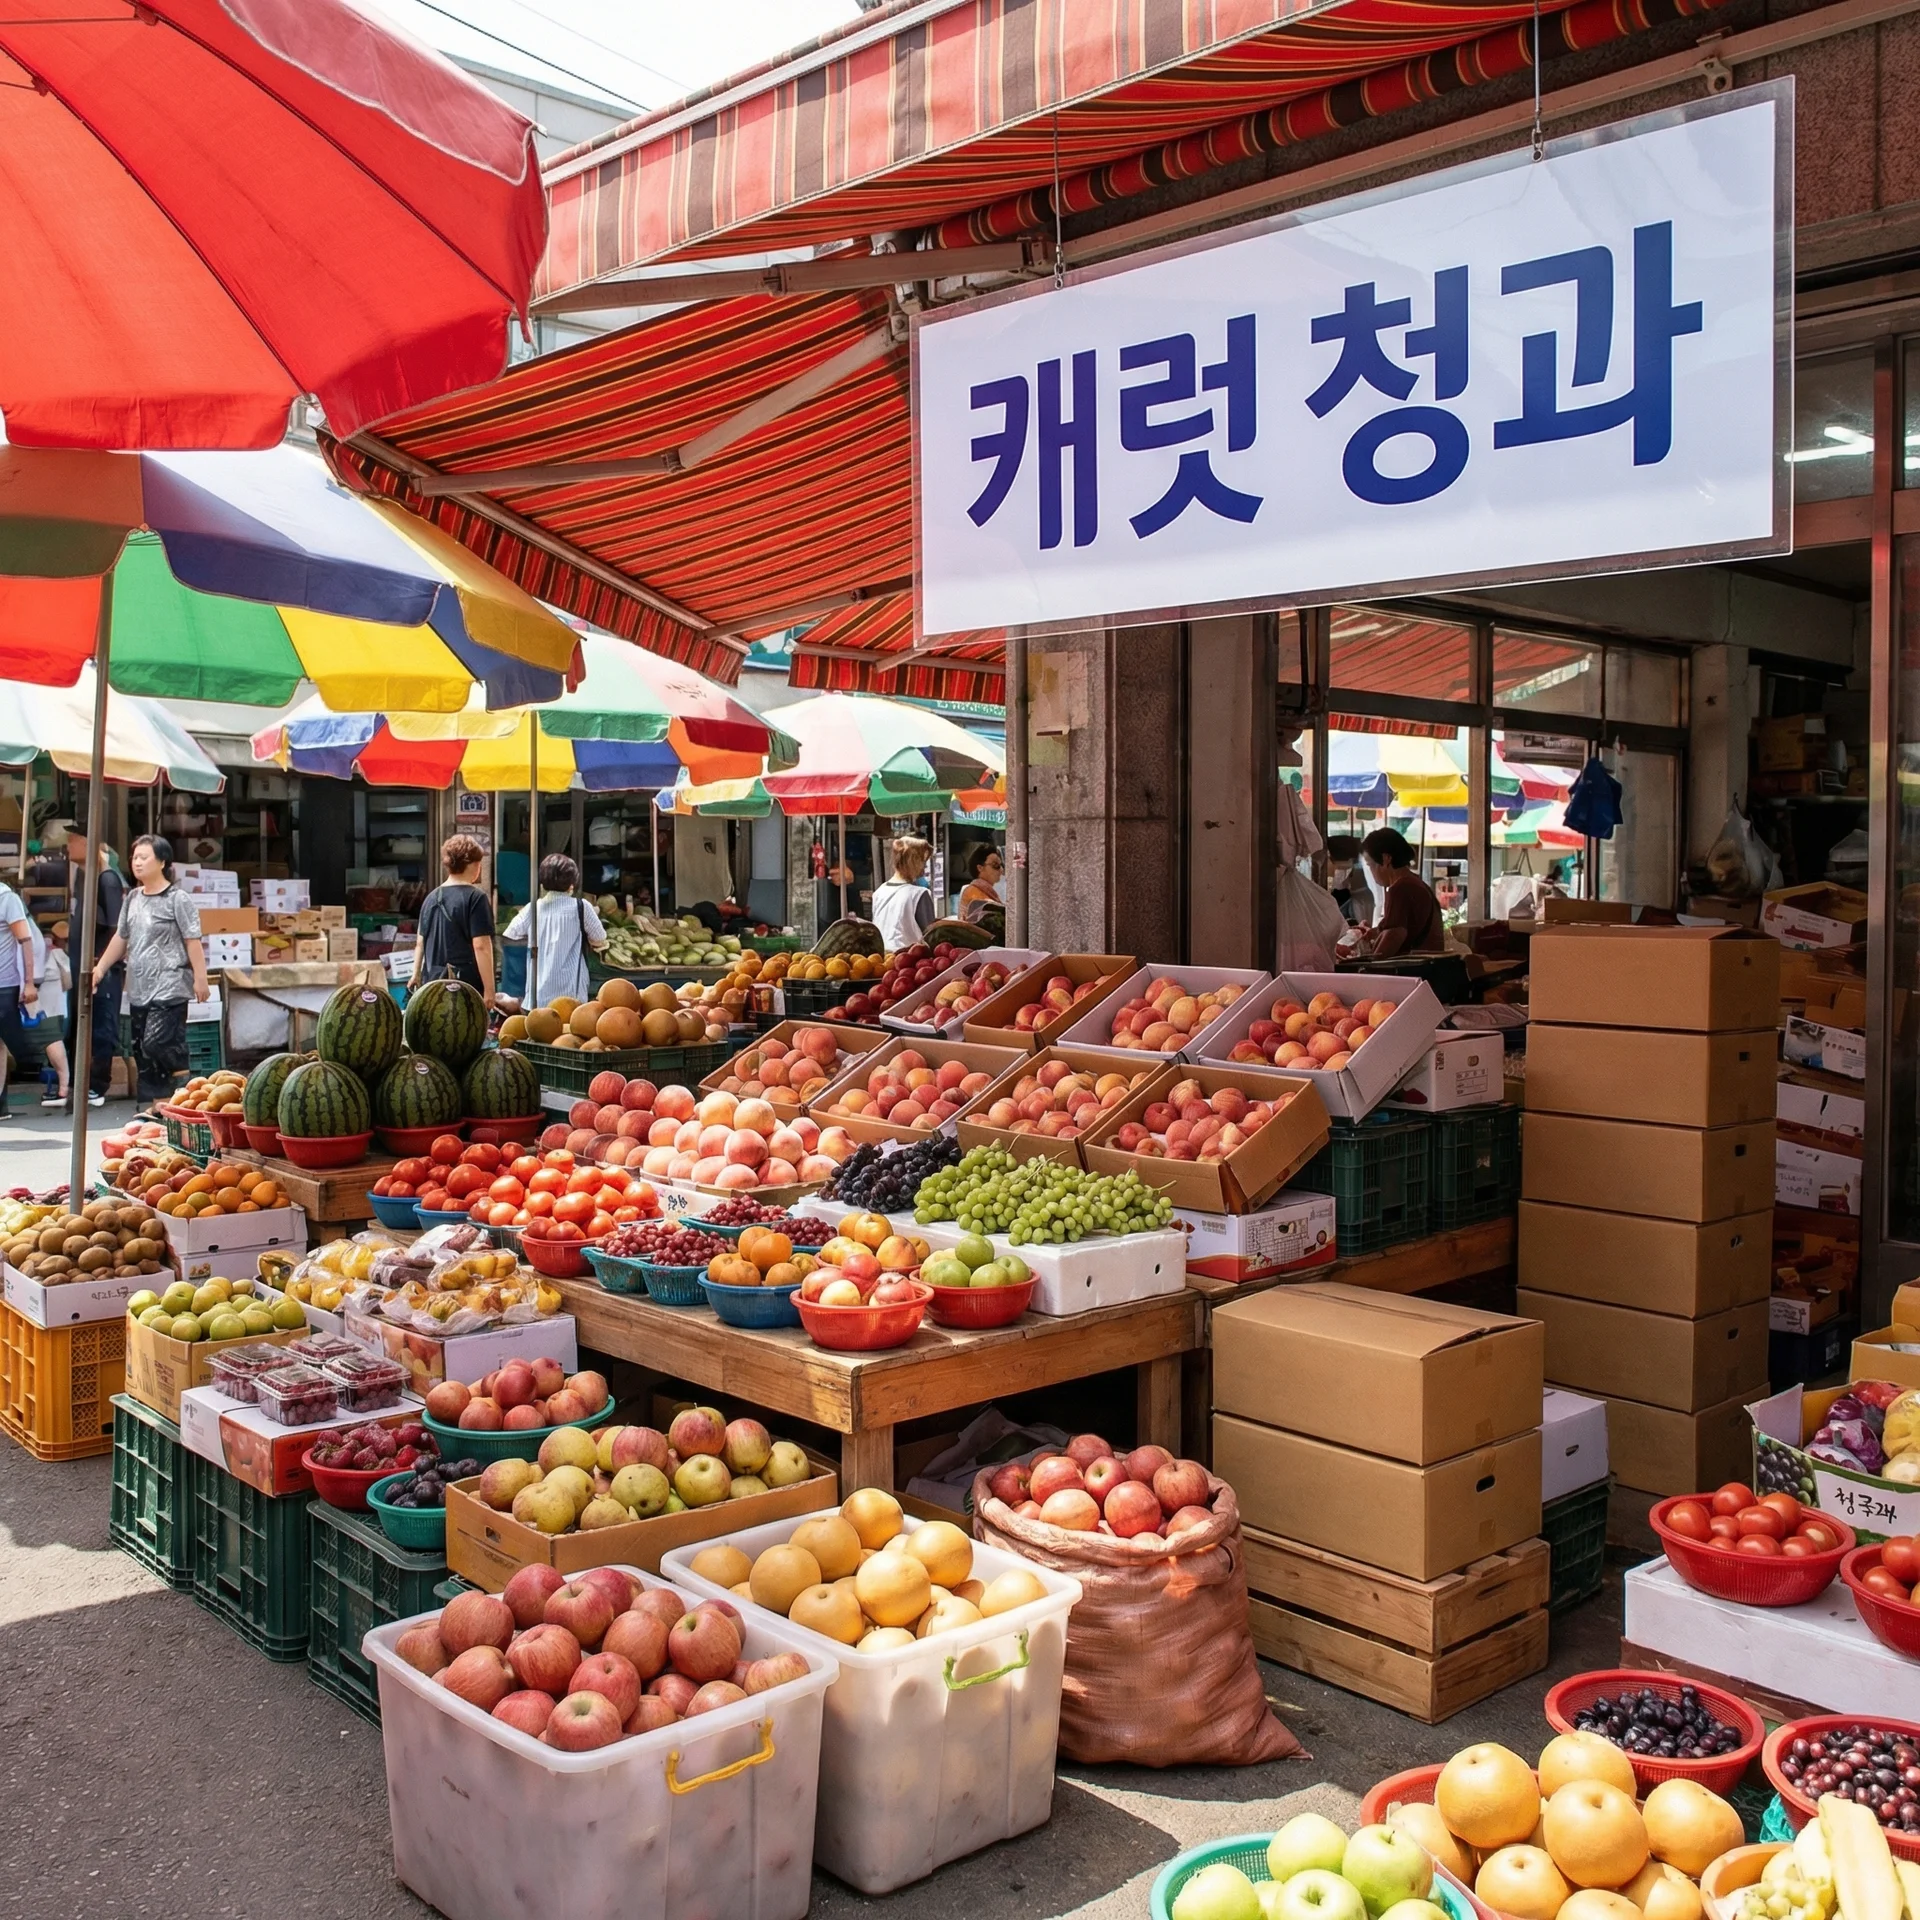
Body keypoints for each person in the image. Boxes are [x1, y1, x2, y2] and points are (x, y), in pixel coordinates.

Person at [89, 834, 209, 1106]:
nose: (137, 863)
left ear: (162, 862)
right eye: (134, 857)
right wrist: (100, 968)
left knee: (156, 1042)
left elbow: (192, 940)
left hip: (171, 985)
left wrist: (200, 979)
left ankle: (181, 1069)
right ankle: (157, 1106)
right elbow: (121, 938)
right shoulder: (133, 898)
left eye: (144, 857)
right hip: (139, 988)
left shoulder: (177, 899)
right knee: (142, 1051)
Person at [62, 820, 129, 1108]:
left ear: (87, 843)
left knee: (102, 1025)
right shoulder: (82, 877)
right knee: (77, 1025)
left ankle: (98, 1085)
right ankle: (78, 1081)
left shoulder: (107, 879)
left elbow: (117, 928)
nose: (68, 847)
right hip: (79, 964)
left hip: (102, 967)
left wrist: (101, 962)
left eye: (73, 841)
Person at [504, 854, 607, 1007]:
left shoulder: (534, 908)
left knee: (541, 1022)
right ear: (572, 884)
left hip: (539, 995)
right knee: (569, 1022)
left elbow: (511, 933)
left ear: (543, 883)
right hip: (571, 994)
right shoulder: (582, 907)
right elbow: (599, 938)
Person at [409, 834, 496, 1004]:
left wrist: (415, 975)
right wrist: (489, 990)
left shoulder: (431, 897)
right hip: (465, 987)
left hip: (432, 986)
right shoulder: (476, 898)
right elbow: (481, 946)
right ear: (474, 865)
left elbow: (420, 942)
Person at [1360, 827, 1446, 957]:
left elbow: (1393, 937)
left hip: (1415, 967)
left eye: (1370, 865)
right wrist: (1377, 931)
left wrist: (1368, 964)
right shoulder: (1414, 882)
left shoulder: (1401, 888)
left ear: (1386, 859)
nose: (1371, 871)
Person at [0, 873, 36, 1120]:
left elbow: (25, 939)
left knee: (2, 1043)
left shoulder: (6, 898)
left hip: (5, 984)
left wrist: (29, 982)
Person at [870, 836, 936, 951]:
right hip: (909, 957)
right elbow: (932, 937)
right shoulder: (919, 894)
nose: (925, 867)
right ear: (913, 861)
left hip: (881, 956)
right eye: (923, 861)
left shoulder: (879, 892)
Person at [35, 919, 71, 1108]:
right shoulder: (57, 953)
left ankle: (62, 1089)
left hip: (47, 1006)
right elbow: (69, 980)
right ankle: (62, 1088)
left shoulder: (49, 952)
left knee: (52, 1042)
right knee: (54, 1042)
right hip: (56, 1005)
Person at [958, 844, 1004, 919]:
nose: (1001, 870)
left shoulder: (987, 890)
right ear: (980, 868)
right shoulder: (973, 892)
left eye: (1001, 865)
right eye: (995, 865)